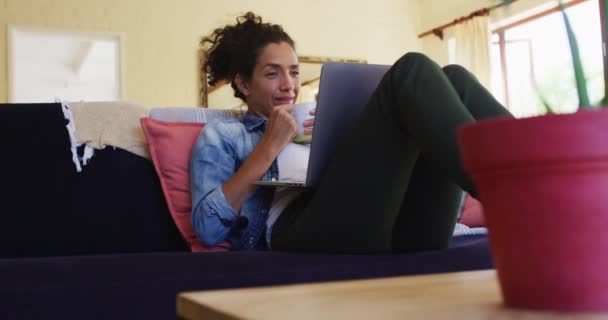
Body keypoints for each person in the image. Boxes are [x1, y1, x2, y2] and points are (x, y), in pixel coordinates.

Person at [190, 12, 512, 253]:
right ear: (244, 83)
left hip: (396, 226)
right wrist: (267, 148)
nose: (288, 84)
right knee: (412, 70)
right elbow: (206, 228)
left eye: (294, 72)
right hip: (297, 226)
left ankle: (544, 180)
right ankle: (521, 199)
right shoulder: (224, 134)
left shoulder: (313, 121)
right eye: (272, 74)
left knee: (453, 77)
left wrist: (342, 133)